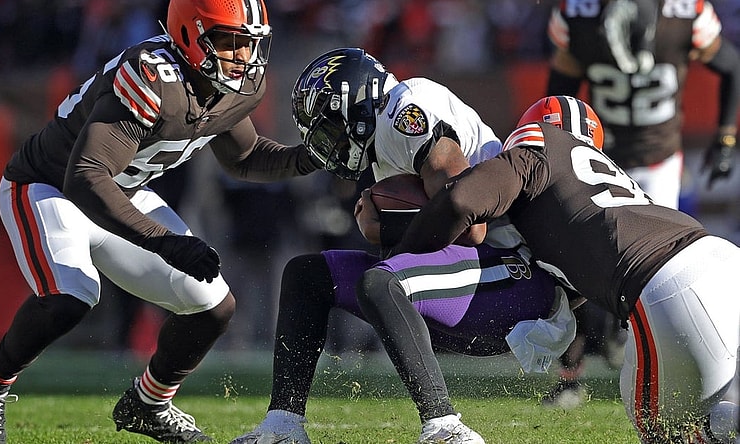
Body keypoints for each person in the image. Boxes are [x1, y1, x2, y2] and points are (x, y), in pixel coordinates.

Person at [0, 0, 323, 443]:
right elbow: (86, 175)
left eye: (250, 43)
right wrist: (164, 241)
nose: (243, 56)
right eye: (230, 42)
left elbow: (245, 157)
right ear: (190, 35)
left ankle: (148, 404)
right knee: (70, 296)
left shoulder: (235, 84)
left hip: (121, 190)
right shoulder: (152, 77)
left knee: (212, 305)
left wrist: (311, 157)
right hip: (49, 188)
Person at [230, 47, 577, 444]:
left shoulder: (407, 114)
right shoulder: (383, 141)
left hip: (515, 279)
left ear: (356, 105)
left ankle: (444, 426)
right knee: (307, 275)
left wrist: (388, 226)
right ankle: (283, 426)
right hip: (474, 283)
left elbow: (471, 224)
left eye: (329, 129)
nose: (329, 145)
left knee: (380, 282)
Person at [390, 95, 740, 443]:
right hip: (722, 259)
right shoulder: (598, 185)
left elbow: (460, 200)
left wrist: (403, 257)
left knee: (666, 433)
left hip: (670, 286)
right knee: (698, 419)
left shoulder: (538, 147)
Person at [543, 0, 740, 407]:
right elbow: (560, 91)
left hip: (657, 162)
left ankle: (639, 357)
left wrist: (726, 136)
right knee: (571, 264)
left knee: (652, 273)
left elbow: (732, 65)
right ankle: (570, 377)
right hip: (600, 157)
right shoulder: (579, 14)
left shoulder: (686, 12)